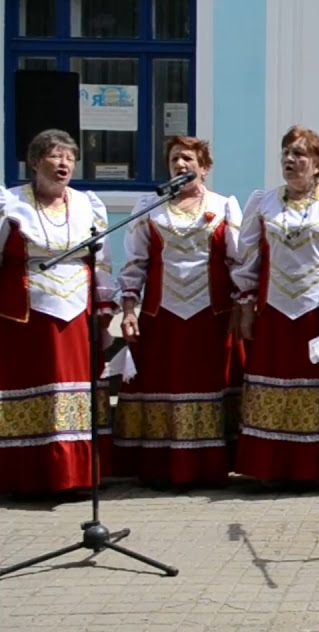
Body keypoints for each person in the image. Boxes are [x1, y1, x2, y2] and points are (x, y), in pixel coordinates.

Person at [230, 125, 319, 483]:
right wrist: (245, 307)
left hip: (316, 312)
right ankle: (270, 468)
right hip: (274, 310)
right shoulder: (264, 202)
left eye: (299, 154)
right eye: (286, 154)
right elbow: (250, 258)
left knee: (316, 385)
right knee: (274, 382)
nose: (290, 160)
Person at [113, 136, 244, 487]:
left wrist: (243, 309)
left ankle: (209, 466)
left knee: (210, 385)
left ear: (204, 166)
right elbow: (135, 265)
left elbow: (238, 262)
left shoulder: (224, 206)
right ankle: (163, 467)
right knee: (164, 384)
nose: (180, 165)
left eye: (187, 159)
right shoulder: (149, 208)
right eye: (174, 160)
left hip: (212, 316)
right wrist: (128, 309)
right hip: (163, 316)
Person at [0, 129, 118, 494]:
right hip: (28, 314)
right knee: (35, 385)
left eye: (69, 156)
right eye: (54, 156)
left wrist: (103, 307)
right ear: (35, 162)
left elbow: (102, 260)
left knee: (77, 388)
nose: (64, 162)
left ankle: (76, 475)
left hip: (76, 309)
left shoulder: (87, 204)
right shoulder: (11, 203)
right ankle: (29, 475)